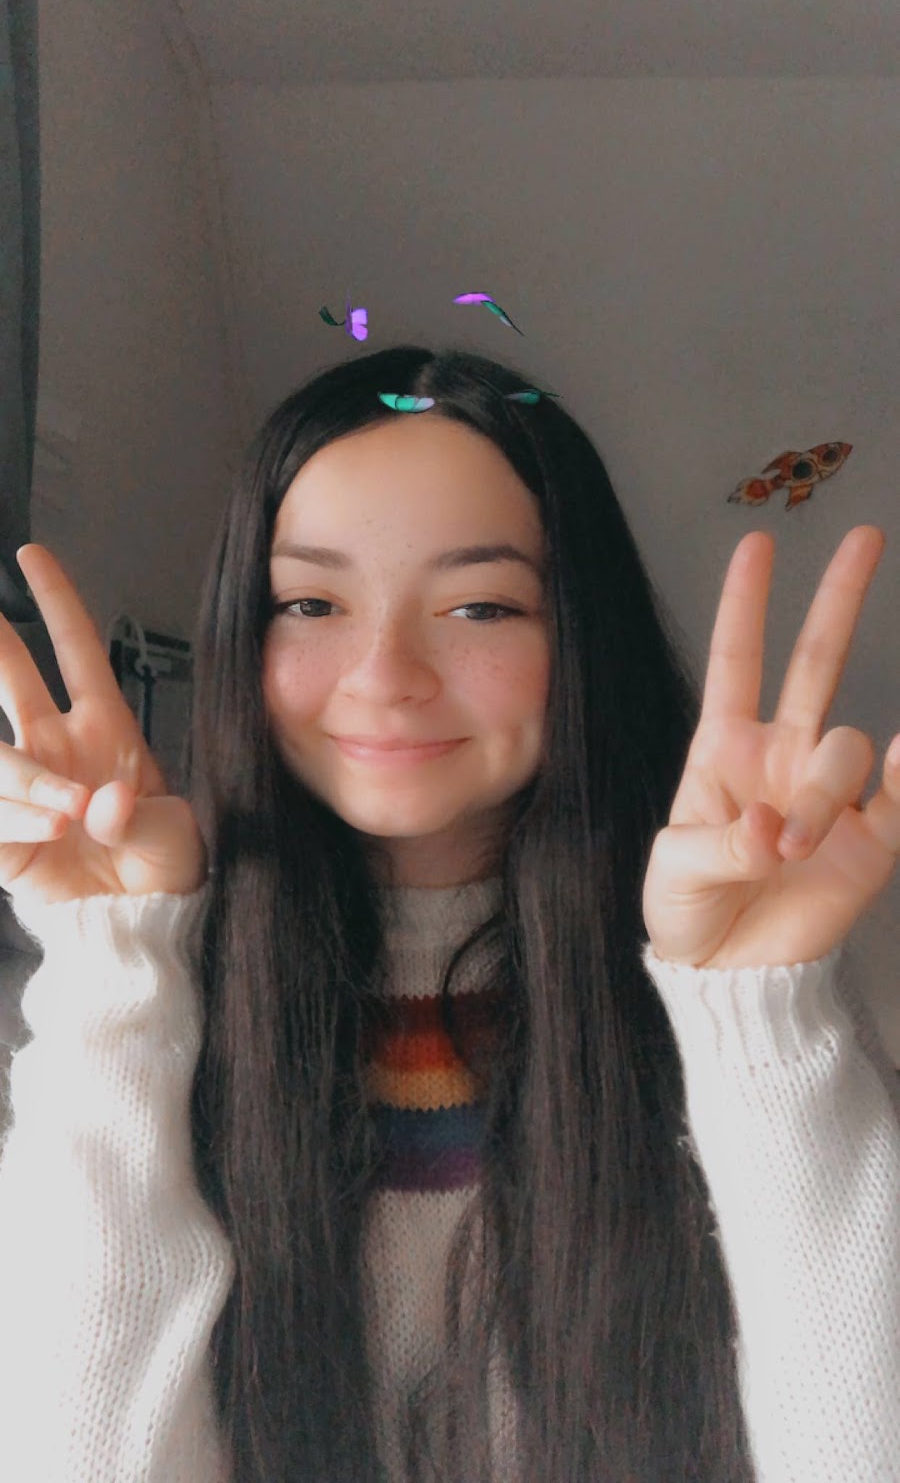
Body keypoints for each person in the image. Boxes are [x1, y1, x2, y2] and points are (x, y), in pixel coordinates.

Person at [0, 343, 898, 1483]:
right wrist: (109, 968)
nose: (385, 673)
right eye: (310, 603)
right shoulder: (142, 1007)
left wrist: (759, 1016)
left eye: (480, 605)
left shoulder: (720, 997)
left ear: (581, 637)